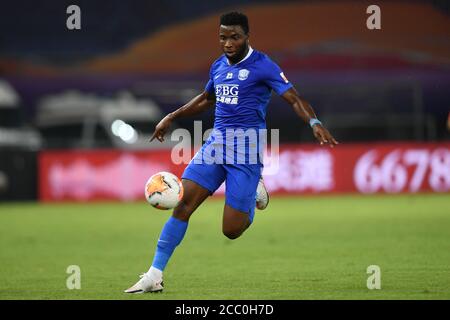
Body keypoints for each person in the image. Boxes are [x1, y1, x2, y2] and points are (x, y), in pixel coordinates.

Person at [125, 11, 338, 293]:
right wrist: (171, 116)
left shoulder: (263, 66)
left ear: (247, 37)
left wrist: (314, 122)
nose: (228, 43)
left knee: (231, 230)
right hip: (215, 145)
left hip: (246, 152)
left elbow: (293, 98)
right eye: (223, 37)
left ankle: (254, 193)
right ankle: (154, 274)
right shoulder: (218, 66)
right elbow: (206, 99)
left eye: (234, 37)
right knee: (183, 204)